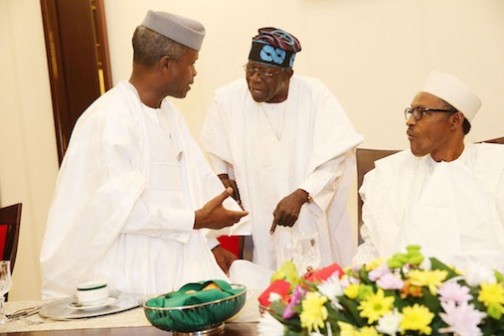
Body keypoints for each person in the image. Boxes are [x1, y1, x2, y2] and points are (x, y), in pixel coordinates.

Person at [40, 10, 250, 299]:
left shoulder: (170, 116)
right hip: (129, 280)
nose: (195, 73)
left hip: (180, 272)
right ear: (166, 64)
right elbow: (120, 214)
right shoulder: (109, 119)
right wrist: (196, 219)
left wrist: (211, 245)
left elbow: (192, 187)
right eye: (192, 63)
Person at [201, 27, 363, 271]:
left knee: (312, 278)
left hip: (306, 213)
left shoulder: (314, 95)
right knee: (264, 275)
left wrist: (302, 194)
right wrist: (223, 177)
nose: (255, 79)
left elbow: (335, 157)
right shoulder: (228, 99)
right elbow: (216, 151)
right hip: (257, 211)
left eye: (266, 72)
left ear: (288, 75)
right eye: (251, 69)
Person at [353, 71, 504, 271]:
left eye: (422, 112)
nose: (410, 121)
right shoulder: (388, 175)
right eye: (411, 112)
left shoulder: (495, 166)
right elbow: (371, 251)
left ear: (455, 121)